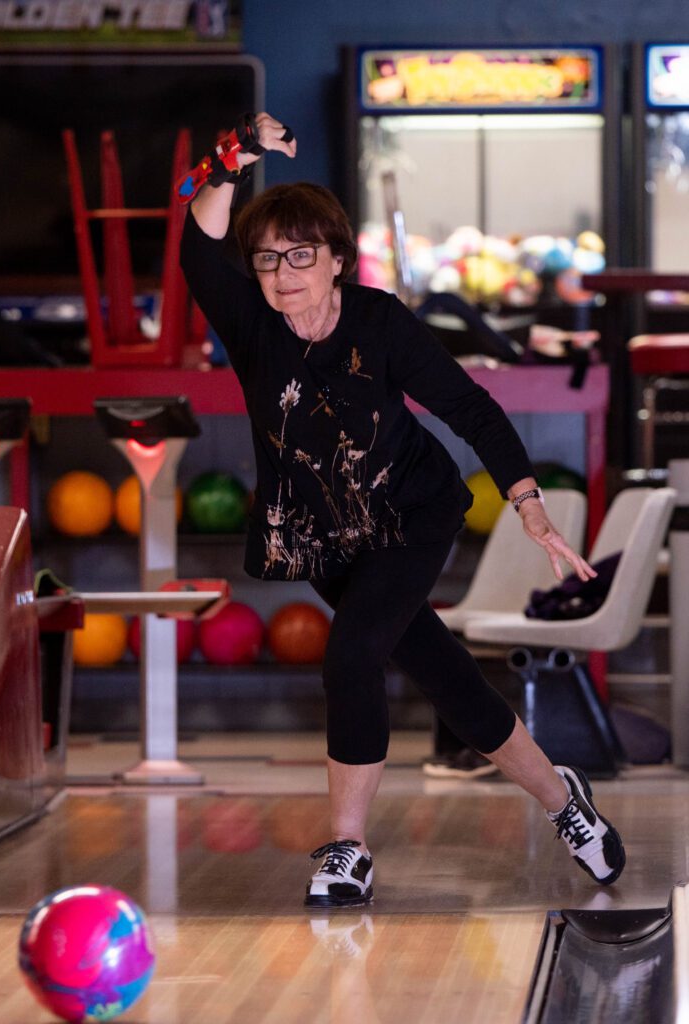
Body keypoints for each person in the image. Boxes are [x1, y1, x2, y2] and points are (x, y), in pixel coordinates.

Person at [179, 112, 625, 908]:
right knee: (448, 680)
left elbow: (472, 408)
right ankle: (567, 803)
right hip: (323, 537)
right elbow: (196, 239)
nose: (284, 273)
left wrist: (526, 502)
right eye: (269, 259)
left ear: (339, 261)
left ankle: (347, 849)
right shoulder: (251, 325)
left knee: (352, 655)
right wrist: (235, 154)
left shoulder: (379, 321)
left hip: (411, 517)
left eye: (302, 255)